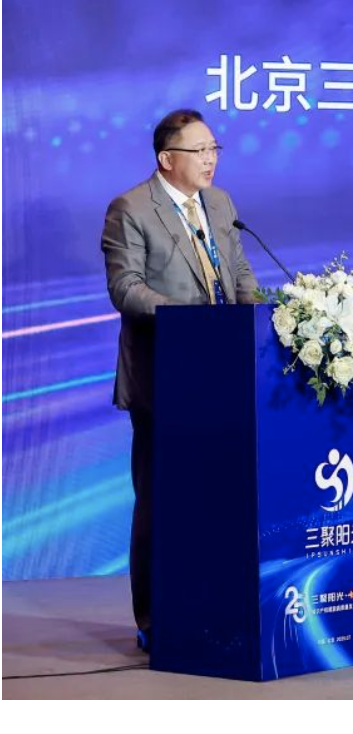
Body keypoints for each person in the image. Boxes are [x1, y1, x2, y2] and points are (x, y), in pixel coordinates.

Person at [100, 108, 259, 653]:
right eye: (199, 150)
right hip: (165, 377)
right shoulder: (131, 208)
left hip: (227, 375)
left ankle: (218, 605)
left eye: (215, 149)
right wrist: (189, 321)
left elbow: (238, 273)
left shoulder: (221, 204)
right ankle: (154, 618)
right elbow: (126, 287)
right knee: (161, 498)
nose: (211, 159)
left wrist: (263, 318)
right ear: (167, 158)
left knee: (224, 497)